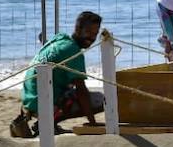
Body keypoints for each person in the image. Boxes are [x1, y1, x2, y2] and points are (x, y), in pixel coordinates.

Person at [10, 10, 104, 138]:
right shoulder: (74, 51)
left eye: (95, 34)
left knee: (68, 86)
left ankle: (43, 121)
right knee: (101, 100)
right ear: (78, 28)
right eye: (88, 32)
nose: (92, 38)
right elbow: (81, 90)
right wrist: (93, 123)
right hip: (42, 102)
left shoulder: (60, 38)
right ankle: (48, 122)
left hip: (28, 98)